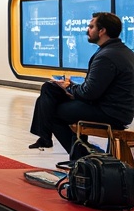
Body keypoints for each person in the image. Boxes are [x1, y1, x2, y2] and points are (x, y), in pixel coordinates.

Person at [29, 11, 134, 152]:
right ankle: (46, 138)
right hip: (116, 108)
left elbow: (89, 93)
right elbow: (97, 87)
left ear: (102, 31)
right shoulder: (122, 51)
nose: (87, 30)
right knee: (49, 89)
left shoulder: (106, 56)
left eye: (91, 27)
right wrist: (71, 87)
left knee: (53, 110)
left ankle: (82, 155)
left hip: (109, 112)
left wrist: (69, 88)